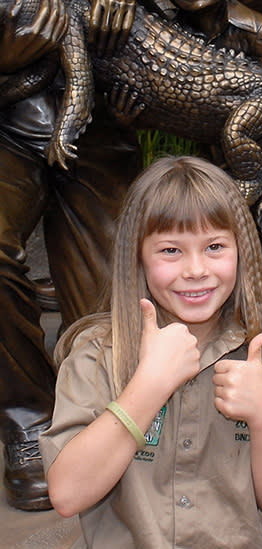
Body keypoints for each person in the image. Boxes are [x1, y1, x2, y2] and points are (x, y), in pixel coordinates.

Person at [39, 156, 262, 547]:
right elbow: (67, 494)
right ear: (138, 256)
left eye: (215, 246)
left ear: (244, 252)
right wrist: (149, 386)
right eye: (171, 251)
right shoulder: (97, 354)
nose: (196, 269)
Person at [0, 0, 143, 511]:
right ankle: (28, 419)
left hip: (105, 105)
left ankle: (108, 413)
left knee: (114, 292)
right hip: (9, 112)